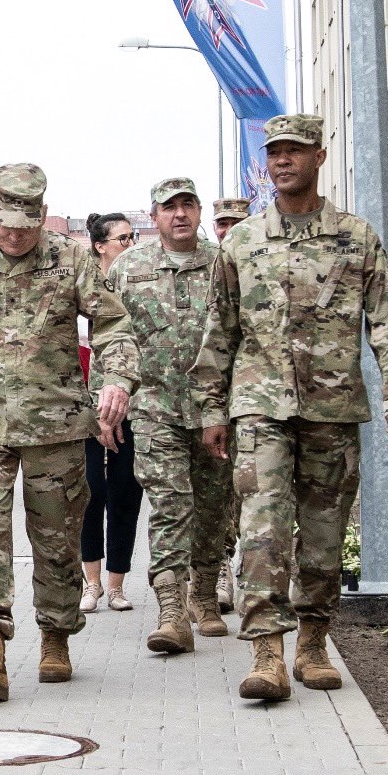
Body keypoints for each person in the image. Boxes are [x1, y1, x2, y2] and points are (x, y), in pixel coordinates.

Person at [192, 115, 388, 701]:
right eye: (275, 154)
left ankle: (314, 643)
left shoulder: (356, 237)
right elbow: (219, 329)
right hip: (259, 407)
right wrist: (211, 409)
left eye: (296, 152)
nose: (283, 161)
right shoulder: (241, 242)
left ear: (320, 158)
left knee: (323, 533)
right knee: (262, 527)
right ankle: (267, 652)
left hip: (333, 408)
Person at [0, 164, 137, 702]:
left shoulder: (73, 260)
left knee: (57, 537)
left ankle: (56, 635)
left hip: (57, 424)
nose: (15, 235)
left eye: (26, 225)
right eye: (6, 223)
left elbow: (114, 327)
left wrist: (116, 380)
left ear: (42, 215)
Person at [109, 178, 234, 654]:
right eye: (169, 208)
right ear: (154, 215)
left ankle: (204, 594)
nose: (179, 215)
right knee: (169, 504)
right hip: (153, 408)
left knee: (211, 509)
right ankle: (171, 611)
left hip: (214, 411)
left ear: (199, 212)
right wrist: (107, 400)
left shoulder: (224, 265)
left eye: (187, 205)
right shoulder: (128, 268)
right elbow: (109, 336)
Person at [79, 211, 144, 615]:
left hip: (132, 407)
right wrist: (95, 412)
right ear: (100, 246)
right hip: (85, 410)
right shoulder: (81, 286)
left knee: (125, 495)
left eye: (133, 237)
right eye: (123, 239)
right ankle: (91, 584)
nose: (131, 244)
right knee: (90, 494)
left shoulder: (137, 286)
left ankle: (117, 585)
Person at [207, 194, 251, 615]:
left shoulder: (257, 263)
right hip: (211, 402)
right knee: (215, 494)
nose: (228, 229)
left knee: (247, 493)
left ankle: (248, 569)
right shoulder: (204, 266)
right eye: (222, 223)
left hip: (254, 400)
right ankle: (218, 568)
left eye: (236, 222)